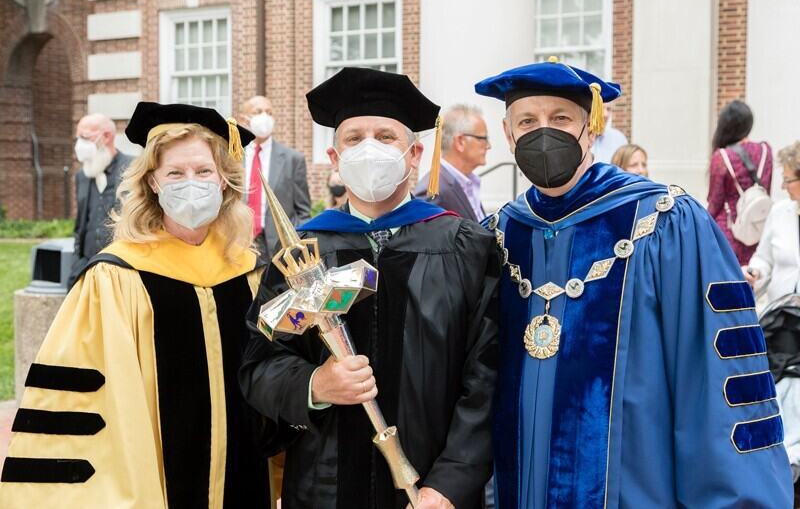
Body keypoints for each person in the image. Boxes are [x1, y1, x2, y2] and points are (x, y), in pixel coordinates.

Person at [474, 57, 792, 508]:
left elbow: (719, 376)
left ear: (592, 128)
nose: (544, 132)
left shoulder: (663, 222)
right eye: (527, 121)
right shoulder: (499, 235)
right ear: (508, 135)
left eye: (561, 118)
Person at [240, 67, 500, 509]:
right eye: (354, 138)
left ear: (415, 154)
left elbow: (488, 373)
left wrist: (452, 481)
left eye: (386, 136)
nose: (369, 149)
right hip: (325, 487)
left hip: (432, 490)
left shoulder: (463, 247)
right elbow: (259, 362)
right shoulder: (303, 255)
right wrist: (314, 384)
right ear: (335, 159)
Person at [0, 102, 274, 508]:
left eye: (203, 171)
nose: (191, 183)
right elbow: (84, 403)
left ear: (224, 181)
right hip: (154, 484)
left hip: (248, 476)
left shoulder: (250, 272)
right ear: (153, 183)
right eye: (175, 173)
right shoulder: (115, 277)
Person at [239, 95, 311, 257]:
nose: (265, 117)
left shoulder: (293, 159)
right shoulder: (232, 157)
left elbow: (303, 211)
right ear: (244, 119)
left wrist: (296, 241)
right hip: (240, 244)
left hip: (281, 248)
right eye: (258, 112)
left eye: (269, 113)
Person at [68, 113, 134, 287]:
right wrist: (77, 265)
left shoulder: (133, 170)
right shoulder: (82, 176)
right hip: (86, 268)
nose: (79, 145)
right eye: (78, 138)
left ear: (106, 136)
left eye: (85, 137)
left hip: (124, 269)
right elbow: (81, 224)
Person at [707, 100, 773, 265]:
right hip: (757, 229)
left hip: (729, 233)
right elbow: (766, 190)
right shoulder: (766, 150)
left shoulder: (722, 156)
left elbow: (715, 202)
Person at [745, 141, 800, 302]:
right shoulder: (779, 212)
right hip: (781, 314)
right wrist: (755, 271)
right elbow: (764, 257)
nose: (783, 186)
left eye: (788, 180)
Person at [414, 104, 489, 221]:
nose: (488, 146)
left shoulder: (468, 184)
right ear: (460, 142)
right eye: (483, 139)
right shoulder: (433, 192)